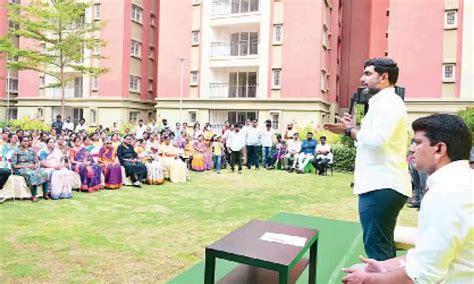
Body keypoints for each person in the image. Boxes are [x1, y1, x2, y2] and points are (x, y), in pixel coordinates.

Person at [342, 114, 473, 284]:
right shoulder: (463, 181)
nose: (411, 149)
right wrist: (387, 265)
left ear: (439, 149)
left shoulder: (445, 194)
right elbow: (433, 251)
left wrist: (369, 279)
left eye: (417, 142)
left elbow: (424, 275)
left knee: (358, 273)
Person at [324, 58, 411, 260]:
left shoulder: (388, 103)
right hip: (381, 185)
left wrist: (350, 130)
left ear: (384, 77)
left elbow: (375, 141)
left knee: (377, 249)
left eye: (367, 74)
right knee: (383, 245)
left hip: (380, 186)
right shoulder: (383, 103)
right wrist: (350, 131)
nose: (362, 79)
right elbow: (372, 141)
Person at [11, 136, 50, 202]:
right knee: (32, 174)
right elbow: (13, 165)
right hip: (20, 169)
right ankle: (34, 196)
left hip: (31, 168)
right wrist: (26, 166)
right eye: (24, 141)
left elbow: (37, 161)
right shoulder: (16, 151)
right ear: (20, 142)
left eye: (27, 141)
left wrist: (35, 166)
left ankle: (45, 193)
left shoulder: (31, 151)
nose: (26, 142)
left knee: (44, 172)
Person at [407, 139, 427, 209]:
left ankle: (424, 204)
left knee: (423, 184)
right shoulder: (413, 140)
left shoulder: (426, 139)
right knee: (416, 184)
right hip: (413, 161)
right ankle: (417, 201)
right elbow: (411, 150)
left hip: (422, 162)